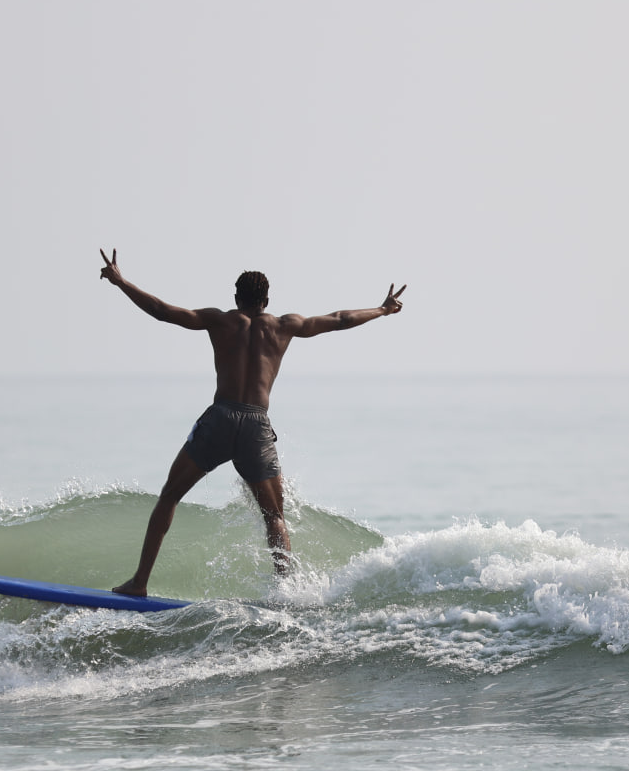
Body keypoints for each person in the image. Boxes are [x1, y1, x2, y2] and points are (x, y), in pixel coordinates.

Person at [99, 248, 406, 596]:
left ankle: (139, 583)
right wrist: (382, 309)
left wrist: (120, 281)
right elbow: (340, 318)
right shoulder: (285, 326)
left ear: (236, 297)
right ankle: (285, 594)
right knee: (274, 515)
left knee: (169, 497)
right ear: (267, 300)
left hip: (221, 418)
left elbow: (161, 311)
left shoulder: (220, 320)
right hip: (256, 426)